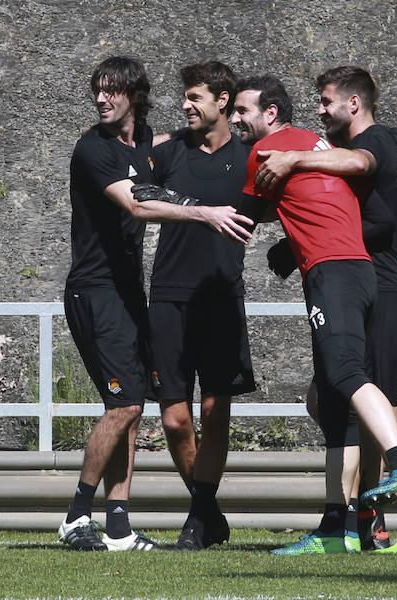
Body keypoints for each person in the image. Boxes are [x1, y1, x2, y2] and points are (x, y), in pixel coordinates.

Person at [229, 75, 397, 555]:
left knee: (374, 402)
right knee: (327, 399)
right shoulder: (328, 147)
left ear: (355, 103)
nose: (319, 111)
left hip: (374, 283)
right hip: (364, 274)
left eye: (327, 102)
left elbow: (385, 211)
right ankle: (342, 523)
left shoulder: (372, 142)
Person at [58, 56, 253, 552]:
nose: (101, 99)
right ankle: (77, 516)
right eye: (96, 91)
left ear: (135, 96)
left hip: (127, 294)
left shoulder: (146, 144)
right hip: (94, 291)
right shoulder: (93, 149)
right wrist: (203, 212)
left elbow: (194, 143)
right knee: (126, 404)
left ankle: (119, 524)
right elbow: (139, 204)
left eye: (112, 91)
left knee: (129, 406)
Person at [142, 61, 256, 550]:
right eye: (184, 98)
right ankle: (208, 510)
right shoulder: (169, 153)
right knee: (173, 418)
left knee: (215, 410)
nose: (186, 105)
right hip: (167, 295)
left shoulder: (251, 158)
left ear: (223, 99)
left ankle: (196, 520)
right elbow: (135, 185)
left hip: (220, 298)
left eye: (195, 98)